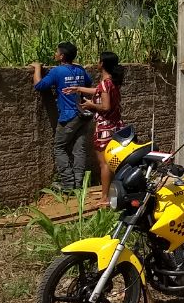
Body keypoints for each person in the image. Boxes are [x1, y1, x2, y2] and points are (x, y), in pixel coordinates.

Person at [32, 42, 94, 193]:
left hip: (68, 115)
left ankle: (67, 184)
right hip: (84, 114)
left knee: (59, 147)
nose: (55, 54)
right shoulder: (80, 69)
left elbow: (39, 86)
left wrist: (37, 68)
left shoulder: (57, 71)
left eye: (57, 52)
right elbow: (88, 83)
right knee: (79, 149)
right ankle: (79, 184)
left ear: (62, 56)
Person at [67, 51, 125, 197]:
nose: (97, 63)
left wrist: (91, 105)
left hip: (105, 128)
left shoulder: (105, 84)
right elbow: (99, 91)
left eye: (99, 61)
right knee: (113, 162)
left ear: (103, 64)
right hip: (116, 126)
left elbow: (106, 107)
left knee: (104, 164)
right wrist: (78, 89)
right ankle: (113, 191)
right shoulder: (111, 82)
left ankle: (105, 197)